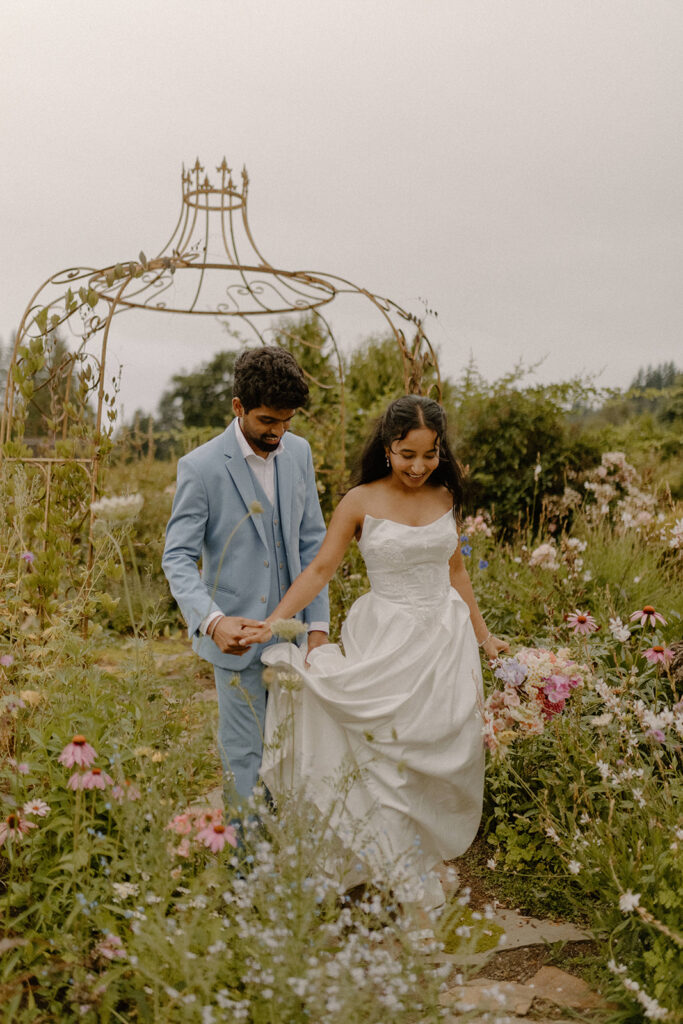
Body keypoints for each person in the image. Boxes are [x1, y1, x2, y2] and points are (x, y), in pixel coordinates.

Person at [242, 394, 508, 909]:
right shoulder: (359, 501)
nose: (418, 466)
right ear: (388, 447)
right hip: (386, 638)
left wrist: (484, 636)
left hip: (444, 643)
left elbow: (456, 571)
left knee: (437, 756)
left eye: (430, 455)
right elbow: (321, 570)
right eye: (408, 454)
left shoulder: (446, 496)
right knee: (383, 756)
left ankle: (420, 861)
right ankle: (403, 876)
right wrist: (274, 623)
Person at [162, 346, 329, 808]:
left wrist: (317, 628)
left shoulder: (299, 453)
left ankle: (288, 862)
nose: (278, 432)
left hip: (295, 640)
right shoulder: (201, 466)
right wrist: (213, 622)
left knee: (297, 753)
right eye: (267, 421)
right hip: (237, 642)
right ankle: (245, 872)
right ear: (238, 407)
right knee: (246, 759)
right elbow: (176, 557)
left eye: (287, 420)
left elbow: (313, 544)